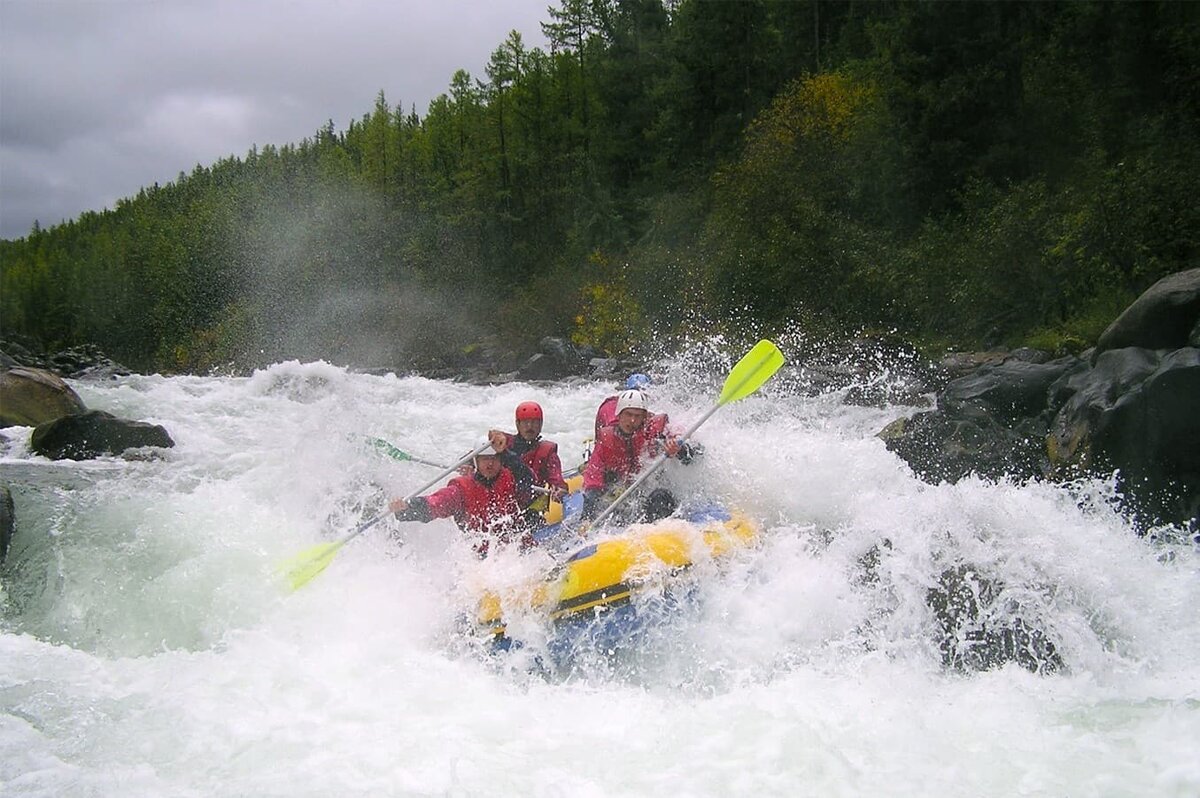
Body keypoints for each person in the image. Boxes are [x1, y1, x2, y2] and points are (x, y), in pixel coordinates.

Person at [389, 429, 535, 557]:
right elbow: (435, 504)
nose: (490, 464)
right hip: (482, 558)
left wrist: (505, 452)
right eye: (485, 459)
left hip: (516, 549)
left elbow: (529, 479)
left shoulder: (510, 477)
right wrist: (406, 508)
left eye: (494, 459)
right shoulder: (461, 488)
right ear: (476, 462)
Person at [581, 388, 695, 523]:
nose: (633, 420)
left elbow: (690, 458)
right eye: (628, 414)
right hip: (621, 488)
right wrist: (587, 517)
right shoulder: (606, 439)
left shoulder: (657, 430)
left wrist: (679, 450)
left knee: (660, 497)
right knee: (609, 497)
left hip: (650, 488)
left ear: (644, 417)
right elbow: (593, 479)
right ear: (619, 414)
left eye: (638, 415)